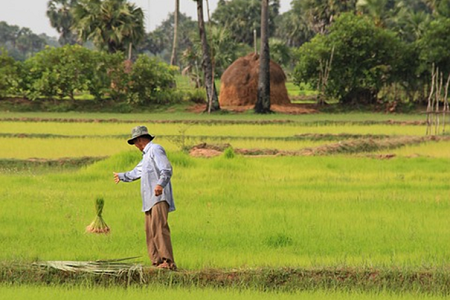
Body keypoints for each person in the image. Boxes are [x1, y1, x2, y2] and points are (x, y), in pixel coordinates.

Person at [113, 125, 176, 270]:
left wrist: (160, 184)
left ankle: (168, 262)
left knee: (160, 228)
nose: (135, 146)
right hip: (149, 200)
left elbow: (166, 169)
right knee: (150, 230)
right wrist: (122, 176)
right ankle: (157, 262)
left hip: (158, 198)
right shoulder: (146, 156)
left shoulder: (155, 149)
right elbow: (137, 172)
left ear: (139, 140)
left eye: (135, 142)